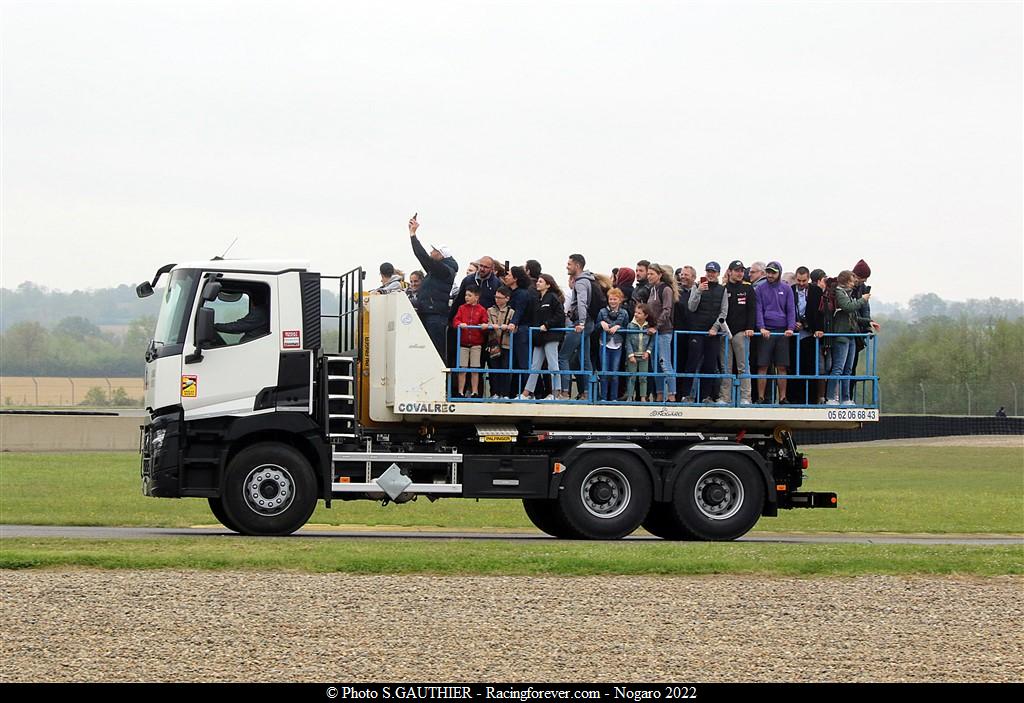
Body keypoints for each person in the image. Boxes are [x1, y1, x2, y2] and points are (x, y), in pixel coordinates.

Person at [408, 215, 457, 359]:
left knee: (436, 351)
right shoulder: (437, 270)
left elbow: (422, 256)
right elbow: (422, 256)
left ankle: (440, 380)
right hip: (429, 312)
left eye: (434, 251)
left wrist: (413, 235)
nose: (431, 253)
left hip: (435, 315)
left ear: (441, 255)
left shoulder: (444, 271)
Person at [681, 262, 729, 403]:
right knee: (692, 363)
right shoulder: (697, 286)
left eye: (713, 272)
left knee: (709, 365)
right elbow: (691, 307)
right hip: (697, 331)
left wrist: (715, 328)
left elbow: (724, 312)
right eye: (708, 271)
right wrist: (699, 291)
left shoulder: (722, 290)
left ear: (718, 273)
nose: (710, 274)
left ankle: (705, 396)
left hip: (713, 333)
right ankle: (686, 395)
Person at [558, 254, 600, 400]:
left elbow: (582, 303)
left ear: (577, 266)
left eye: (569, 264)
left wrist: (581, 323)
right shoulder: (588, 280)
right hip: (589, 323)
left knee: (563, 357)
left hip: (582, 324)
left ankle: (564, 392)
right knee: (585, 358)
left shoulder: (581, 282)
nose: (567, 266)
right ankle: (587, 393)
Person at [827, 270, 871, 405]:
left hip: (851, 335)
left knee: (848, 369)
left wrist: (869, 321)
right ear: (846, 281)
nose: (854, 284)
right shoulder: (839, 292)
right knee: (838, 368)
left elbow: (854, 316)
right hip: (841, 335)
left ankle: (846, 398)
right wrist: (863, 300)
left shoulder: (848, 294)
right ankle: (830, 398)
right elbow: (848, 307)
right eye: (852, 281)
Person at [754, 261, 796, 403]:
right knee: (763, 365)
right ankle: (760, 397)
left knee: (782, 366)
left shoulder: (787, 288)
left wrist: (790, 328)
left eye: (773, 272)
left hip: (782, 332)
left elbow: (790, 309)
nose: (770, 275)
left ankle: (783, 397)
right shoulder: (760, 289)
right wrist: (761, 327)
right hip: (766, 331)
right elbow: (758, 309)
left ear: (778, 273)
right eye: (768, 272)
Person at [520, 274, 565, 400]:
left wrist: (547, 324)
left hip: (551, 337)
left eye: (541, 281)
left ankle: (556, 393)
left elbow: (560, 315)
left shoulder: (553, 298)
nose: (537, 283)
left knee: (553, 365)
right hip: (539, 338)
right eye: (538, 281)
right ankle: (526, 393)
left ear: (548, 284)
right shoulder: (537, 299)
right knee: (535, 365)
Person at [717, 260, 757, 405]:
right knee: (725, 367)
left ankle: (746, 397)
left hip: (742, 332)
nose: (740, 273)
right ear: (729, 271)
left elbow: (752, 309)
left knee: (743, 366)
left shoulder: (748, 288)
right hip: (725, 332)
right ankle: (725, 397)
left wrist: (750, 327)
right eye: (737, 270)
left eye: (741, 270)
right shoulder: (723, 288)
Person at [646, 263, 679, 402]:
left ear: (659, 275)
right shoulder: (652, 289)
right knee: (655, 365)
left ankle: (672, 394)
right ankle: (659, 393)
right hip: (653, 331)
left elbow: (667, 310)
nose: (649, 276)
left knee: (665, 362)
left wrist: (657, 326)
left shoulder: (665, 289)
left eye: (652, 274)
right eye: (648, 274)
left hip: (664, 331)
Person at [849, 259, 881, 400]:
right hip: (846, 333)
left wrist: (868, 325)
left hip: (856, 335)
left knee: (851, 368)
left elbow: (864, 310)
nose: (863, 282)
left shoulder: (863, 289)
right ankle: (841, 397)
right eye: (862, 279)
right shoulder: (846, 289)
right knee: (842, 368)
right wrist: (867, 321)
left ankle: (848, 397)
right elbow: (852, 312)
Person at [503, 266, 537, 396]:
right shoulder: (514, 292)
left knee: (523, 363)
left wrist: (513, 323)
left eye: (509, 275)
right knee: (516, 363)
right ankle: (514, 392)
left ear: (515, 278)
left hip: (522, 330)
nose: (506, 277)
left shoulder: (522, 293)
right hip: (517, 330)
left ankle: (527, 392)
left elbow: (519, 310)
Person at [452, 285, 488, 398]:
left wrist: (484, 325)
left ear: (476, 297)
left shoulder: (482, 310)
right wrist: (459, 324)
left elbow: (485, 321)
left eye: (469, 295)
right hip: (463, 343)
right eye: (466, 295)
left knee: (475, 368)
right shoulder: (462, 308)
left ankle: (475, 391)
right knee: (462, 368)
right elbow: (455, 321)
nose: (466, 297)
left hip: (476, 344)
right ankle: (460, 391)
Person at [597, 288, 629, 400]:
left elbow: (627, 327)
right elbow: (596, 327)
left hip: (617, 344)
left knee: (615, 373)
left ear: (620, 300)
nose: (612, 301)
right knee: (604, 372)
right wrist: (601, 323)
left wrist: (618, 327)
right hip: (604, 344)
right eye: (610, 299)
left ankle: (614, 397)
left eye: (615, 299)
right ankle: (604, 397)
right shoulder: (602, 312)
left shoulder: (624, 313)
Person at [486, 286, 516, 399]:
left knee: (505, 369)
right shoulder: (490, 310)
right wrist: (490, 326)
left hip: (506, 344)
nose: (497, 299)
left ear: (507, 298)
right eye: (496, 297)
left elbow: (514, 328)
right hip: (494, 343)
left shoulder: (511, 312)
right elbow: (487, 322)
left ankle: (505, 394)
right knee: (493, 369)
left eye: (499, 297)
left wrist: (508, 327)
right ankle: (494, 393)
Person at [624, 303, 654, 401]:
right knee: (631, 376)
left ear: (645, 316)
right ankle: (629, 396)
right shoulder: (630, 325)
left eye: (639, 313)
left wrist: (648, 352)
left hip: (644, 356)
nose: (636, 315)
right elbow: (627, 340)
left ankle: (643, 397)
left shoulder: (648, 326)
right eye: (635, 312)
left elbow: (652, 341)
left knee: (643, 377)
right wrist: (630, 355)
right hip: (633, 355)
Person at [672, 265, 696, 390]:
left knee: (692, 364)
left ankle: (687, 394)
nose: (683, 277)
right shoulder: (676, 292)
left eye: (686, 274)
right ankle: (677, 393)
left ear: (693, 277)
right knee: (678, 363)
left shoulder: (698, 291)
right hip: (678, 333)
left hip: (694, 333)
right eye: (682, 274)